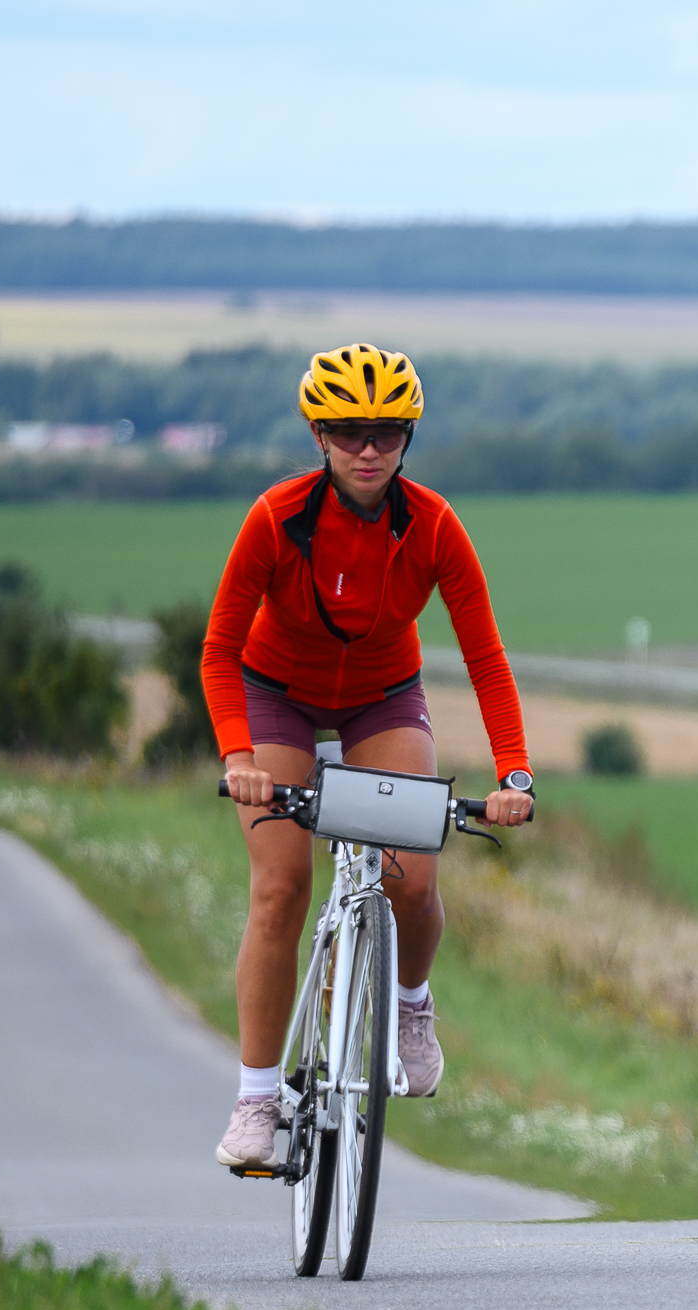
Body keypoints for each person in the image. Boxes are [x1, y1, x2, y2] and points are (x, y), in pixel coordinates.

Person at [205, 345, 536, 1169]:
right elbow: (218, 649)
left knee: (413, 877)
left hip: (381, 697)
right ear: (319, 435)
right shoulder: (276, 517)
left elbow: (486, 657)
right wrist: (239, 756)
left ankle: (410, 1002)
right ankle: (257, 1099)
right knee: (280, 888)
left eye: (387, 432)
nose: (368, 449)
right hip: (277, 694)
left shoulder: (433, 524)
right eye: (349, 431)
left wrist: (515, 773)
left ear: (406, 439)